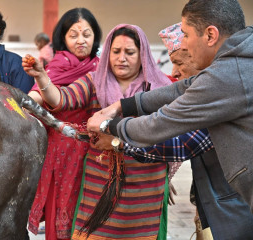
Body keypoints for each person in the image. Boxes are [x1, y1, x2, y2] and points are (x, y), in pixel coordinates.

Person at [86, 0, 253, 213]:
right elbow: (181, 89)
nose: (183, 43)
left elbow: (161, 124)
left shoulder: (227, 76)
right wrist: (124, 105)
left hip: (231, 209)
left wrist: (110, 127)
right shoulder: (238, 59)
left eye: (186, 34)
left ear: (210, 35)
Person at [23, 24, 174, 239]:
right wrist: (41, 77)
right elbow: (63, 98)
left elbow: (168, 135)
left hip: (145, 189)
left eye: (130, 53)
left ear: (143, 56)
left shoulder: (158, 88)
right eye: (115, 52)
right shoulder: (94, 81)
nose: (122, 58)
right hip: (99, 185)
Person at [113, 22, 253, 240]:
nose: (174, 72)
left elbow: (182, 144)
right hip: (214, 207)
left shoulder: (221, 90)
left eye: (179, 62)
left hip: (235, 213)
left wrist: (115, 135)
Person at [26, 8, 102, 240]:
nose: (81, 40)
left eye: (87, 34)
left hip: (98, 149)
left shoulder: (103, 67)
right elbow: (37, 97)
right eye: (73, 34)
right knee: (63, 208)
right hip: (63, 149)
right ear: (63, 38)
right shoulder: (55, 67)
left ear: (95, 36)